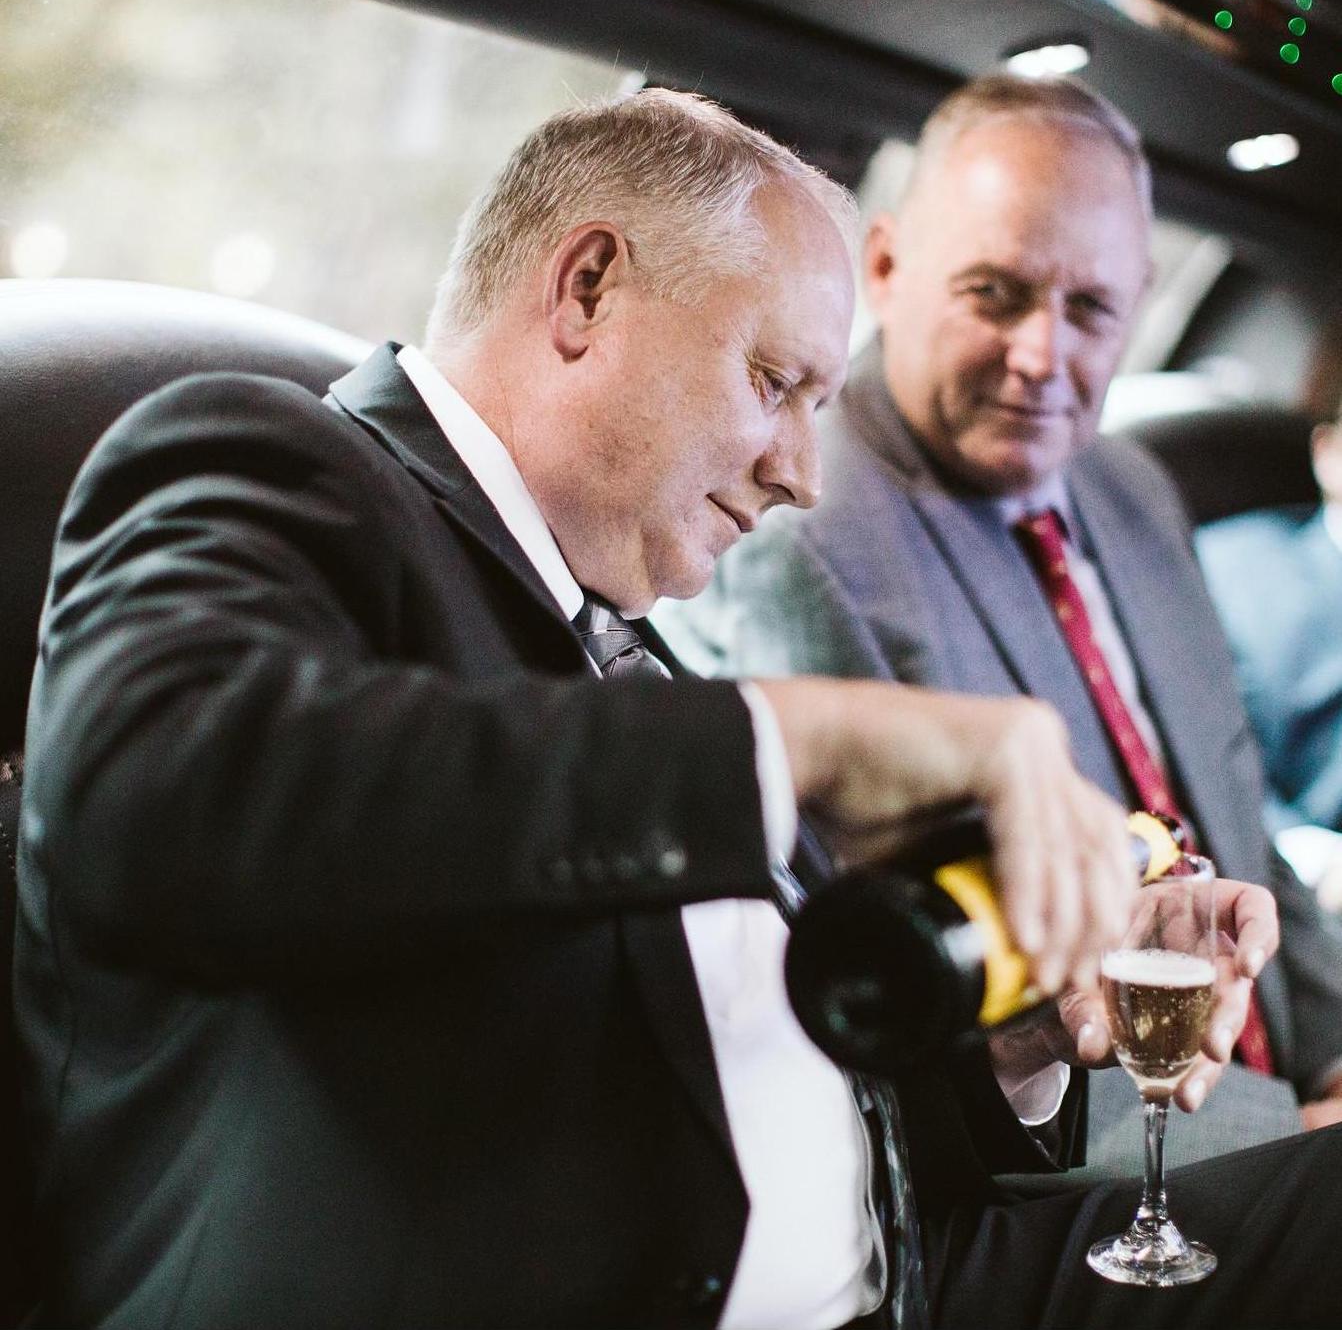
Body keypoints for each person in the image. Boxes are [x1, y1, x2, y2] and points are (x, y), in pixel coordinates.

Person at [9, 86, 1331, 1330]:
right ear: (586, 290)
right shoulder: (274, 462)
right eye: (773, 383)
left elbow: (793, 1067)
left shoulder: (632, 649)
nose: (804, 474)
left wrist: (1024, 1036)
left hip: (921, 1261)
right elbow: (149, 797)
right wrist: (799, 734)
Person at [659, 73, 1342, 1174]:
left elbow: (1234, 805)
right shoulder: (800, 537)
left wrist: (1334, 1065)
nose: (1042, 356)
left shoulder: (1128, 485)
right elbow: (933, 1003)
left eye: (1089, 310)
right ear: (884, 268)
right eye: (995, 293)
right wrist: (1286, 1143)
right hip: (1063, 1164)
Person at [1197, 400, 1342, 909]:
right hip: (1290, 880)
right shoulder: (1231, 572)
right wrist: (1322, 860)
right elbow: (1204, 758)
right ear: (1328, 454)